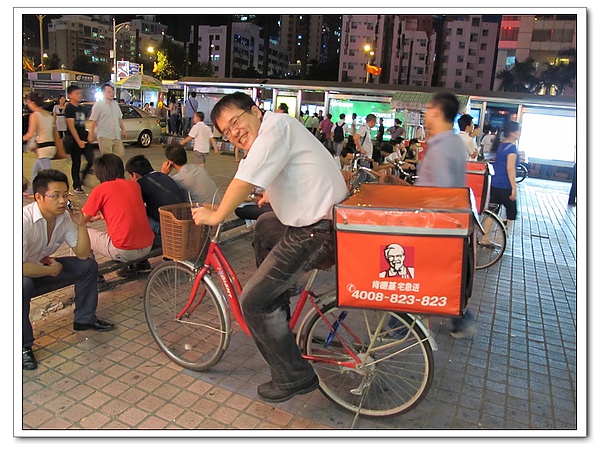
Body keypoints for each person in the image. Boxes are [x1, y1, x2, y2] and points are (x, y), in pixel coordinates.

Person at [193, 92, 347, 403]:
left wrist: (217, 215)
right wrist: (270, 196)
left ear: (255, 111)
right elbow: (289, 171)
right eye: (226, 131)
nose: (234, 133)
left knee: (251, 301)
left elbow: (243, 180)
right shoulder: (278, 129)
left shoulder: (275, 128)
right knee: (264, 226)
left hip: (316, 232)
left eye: (236, 122)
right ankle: (277, 304)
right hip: (322, 222)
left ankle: (294, 376)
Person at [23, 170, 115, 370]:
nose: (62, 201)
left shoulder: (64, 217)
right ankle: (22, 346)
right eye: (55, 195)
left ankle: (84, 319)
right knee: (21, 285)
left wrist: (81, 224)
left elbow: (82, 254)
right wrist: (49, 270)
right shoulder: (22, 221)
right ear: (38, 197)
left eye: (65, 195)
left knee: (88, 266)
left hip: (42, 266)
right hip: (22, 272)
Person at [416, 90, 476, 339]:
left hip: (434, 225)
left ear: (438, 112)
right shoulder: (450, 143)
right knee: (432, 276)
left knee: (416, 273)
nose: (427, 112)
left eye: (429, 108)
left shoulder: (441, 148)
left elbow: (440, 192)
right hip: (445, 224)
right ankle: (460, 320)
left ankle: (397, 325)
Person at [82, 154, 155, 270]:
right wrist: (99, 217)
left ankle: (92, 277)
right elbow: (124, 211)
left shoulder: (100, 190)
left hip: (124, 250)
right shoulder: (134, 185)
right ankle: (141, 265)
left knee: (79, 233)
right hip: (147, 246)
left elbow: (81, 221)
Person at [489, 120, 521, 229]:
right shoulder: (511, 148)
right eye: (518, 130)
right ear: (512, 132)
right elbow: (510, 168)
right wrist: (514, 187)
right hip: (505, 184)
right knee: (512, 212)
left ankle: (485, 238)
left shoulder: (501, 145)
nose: (519, 133)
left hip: (494, 182)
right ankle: (503, 232)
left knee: (491, 212)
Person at [63, 84, 94, 194]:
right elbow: (71, 126)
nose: (79, 95)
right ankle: (77, 185)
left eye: (80, 93)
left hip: (83, 136)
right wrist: (78, 141)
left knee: (91, 159)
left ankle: (82, 179)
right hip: (74, 139)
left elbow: (83, 123)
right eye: (77, 93)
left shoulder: (81, 108)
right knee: (76, 162)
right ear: (70, 95)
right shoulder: (69, 108)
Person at [22, 92, 58, 185]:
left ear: (33, 102)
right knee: (35, 170)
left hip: (43, 148)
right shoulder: (47, 114)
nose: (28, 104)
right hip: (51, 146)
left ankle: (53, 190)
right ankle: (33, 190)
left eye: (28, 102)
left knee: (48, 175)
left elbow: (30, 134)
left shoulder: (35, 115)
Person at [87, 83, 127, 157]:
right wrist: (91, 134)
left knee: (119, 155)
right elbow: (93, 121)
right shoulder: (98, 105)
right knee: (108, 159)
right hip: (105, 136)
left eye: (112, 91)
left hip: (116, 136)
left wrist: (123, 130)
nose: (111, 93)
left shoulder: (115, 104)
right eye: (109, 92)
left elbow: (119, 118)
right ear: (103, 93)